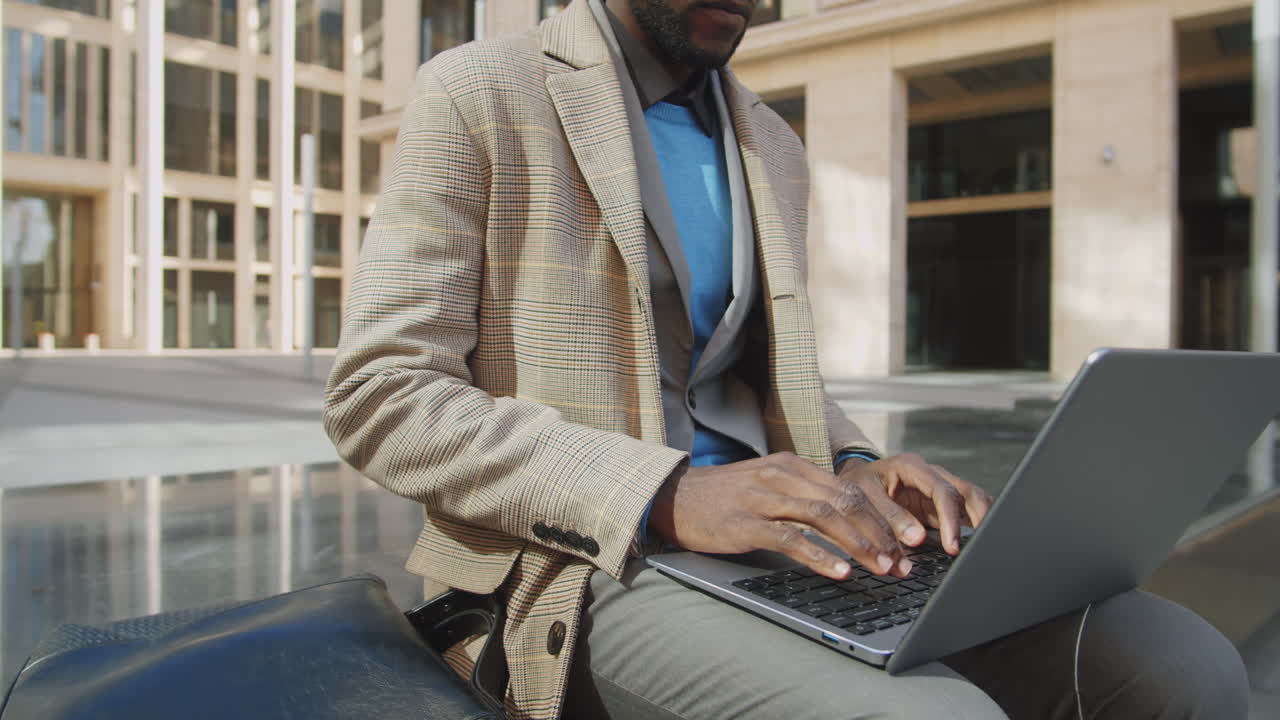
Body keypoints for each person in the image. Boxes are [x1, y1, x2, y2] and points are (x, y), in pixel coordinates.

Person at [322, 0, 1249, 717]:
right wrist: (664, 491)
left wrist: (856, 467)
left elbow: (754, 381)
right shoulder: (478, 90)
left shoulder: (771, 139)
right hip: (589, 563)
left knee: (1179, 667)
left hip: (791, 546)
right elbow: (382, 395)